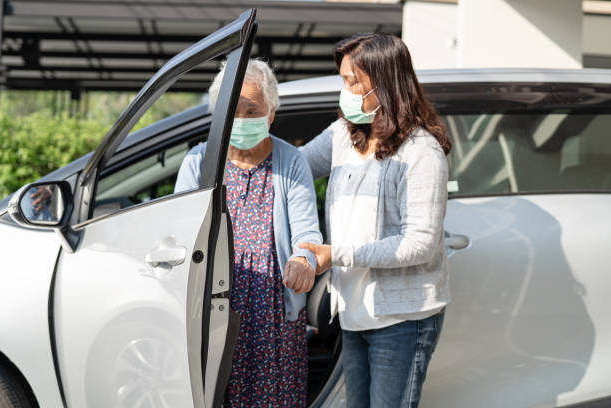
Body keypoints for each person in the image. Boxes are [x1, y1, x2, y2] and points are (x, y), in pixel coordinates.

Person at [298, 33, 452, 408]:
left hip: (400, 318)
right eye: (343, 81)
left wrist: (336, 254)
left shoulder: (420, 152)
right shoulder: (343, 136)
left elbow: (418, 243)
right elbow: (296, 166)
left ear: (383, 82)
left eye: (353, 82)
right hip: (354, 314)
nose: (345, 90)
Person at [174, 59, 321, 407]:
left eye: (252, 110)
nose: (241, 119)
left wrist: (304, 258)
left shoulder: (291, 161)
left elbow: (307, 231)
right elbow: (177, 234)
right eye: (232, 110)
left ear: (271, 113)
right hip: (210, 312)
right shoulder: (198, 163)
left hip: (273, 316)